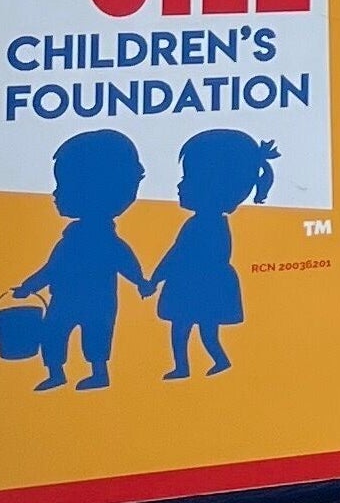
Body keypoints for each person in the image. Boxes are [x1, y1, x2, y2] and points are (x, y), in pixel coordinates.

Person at [11, 129, 149, 392]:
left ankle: (98, 374)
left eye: (62, 186)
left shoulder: (100, 238)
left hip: (97, 299)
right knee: (54, 332)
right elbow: (52, 269)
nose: (54, 194)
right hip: (65, 298)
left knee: (94, 335)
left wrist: (139, 281)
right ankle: (57, 373)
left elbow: (123, 258)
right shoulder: (73, 237)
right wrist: (28, 287)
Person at [151, 129, 277, 380]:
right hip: (206, 283)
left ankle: (189, 366)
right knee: (204, 329)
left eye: (187, 178)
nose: (179, 185)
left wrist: (155, 278)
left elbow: (177, 255)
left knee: (184, 327)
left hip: (194, 283)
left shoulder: (201, 225)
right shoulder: (214, 223)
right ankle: (211, 362)